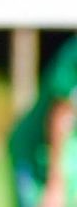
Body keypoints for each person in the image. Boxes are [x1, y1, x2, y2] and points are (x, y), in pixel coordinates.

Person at [9, 36, 77, 207]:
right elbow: (60, 116)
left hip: (70, 145)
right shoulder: (73, 55)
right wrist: (55, 182)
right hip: (36, 147)